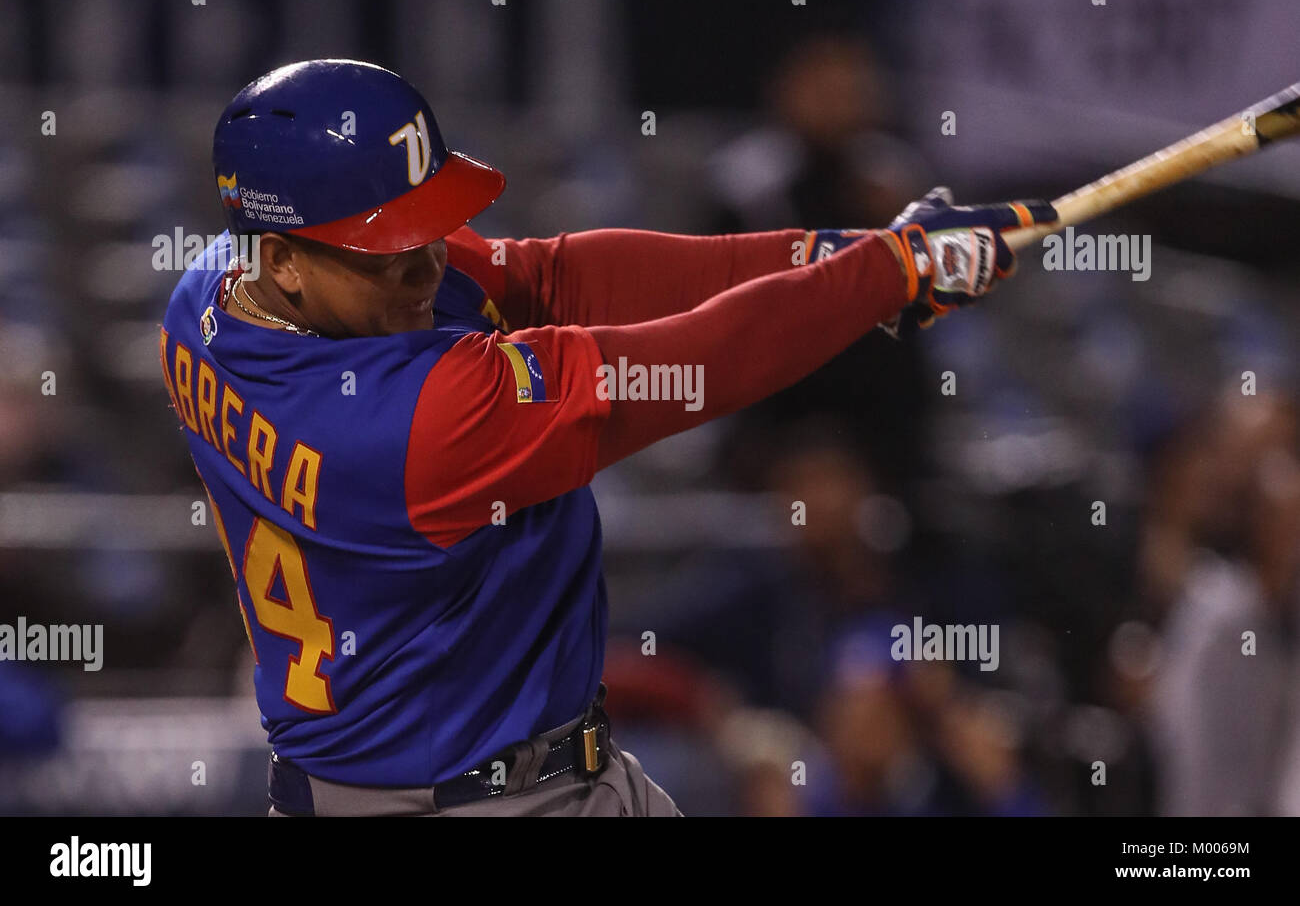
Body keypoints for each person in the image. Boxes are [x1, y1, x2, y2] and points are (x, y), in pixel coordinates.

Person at [158, 58, 1054, 816]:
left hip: (431, 782)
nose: (430, 265)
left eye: (427, 227)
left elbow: (552, 277)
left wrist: (851, 254)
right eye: (387, 249)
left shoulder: (203, 300)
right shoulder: (417, 420)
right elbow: (699, 363)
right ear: (281, 259)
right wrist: (886, 276)